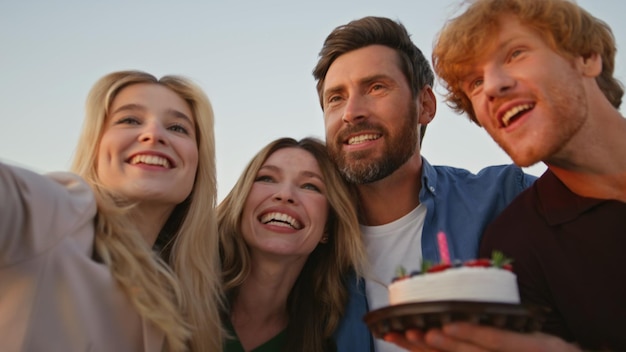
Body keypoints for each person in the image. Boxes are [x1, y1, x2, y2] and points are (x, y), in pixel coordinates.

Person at [312, 16, 537, 352]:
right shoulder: (312, 243)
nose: (351, 112)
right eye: (336, 98)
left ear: (425, 106)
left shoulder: (505, 197)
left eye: (376, 87)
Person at [417, 0, 626, 351]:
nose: (494, 86)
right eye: (475, 82)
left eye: (515, 53)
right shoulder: (516, 245)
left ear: (587, 57)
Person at [0, 70, 223, 351]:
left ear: (198, 161)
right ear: (96, 147)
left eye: (178, 128)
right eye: (129, 120)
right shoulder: (54, 213)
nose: (153, 134)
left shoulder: (185, 293)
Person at [218, 137, 368, 352]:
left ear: (327, 228)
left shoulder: (328, 339)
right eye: (267, 178)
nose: (285, 195)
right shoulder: (178, 293)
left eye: (310, 186)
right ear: (240, 204)